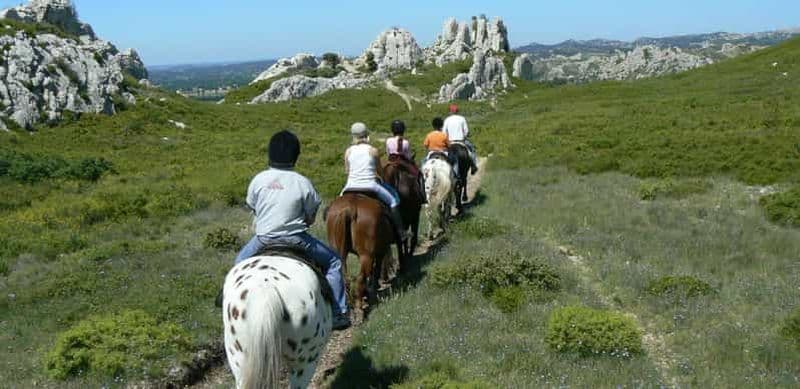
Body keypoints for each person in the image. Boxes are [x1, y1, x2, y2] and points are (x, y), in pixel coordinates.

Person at [233, 130, 350, 330]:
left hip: (263, 239)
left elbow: (252, 206)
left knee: (238, 266)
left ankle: (228, 301)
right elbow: (311, 216)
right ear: (295, 155)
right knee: (333, 262)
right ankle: (339, 312)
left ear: (270, 154)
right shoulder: (302, 182)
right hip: (297, 239)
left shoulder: (259, 179)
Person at [342, 122, 406, 246]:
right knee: (394, 200)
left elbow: (347, 171)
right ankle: (401, 231)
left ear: (353, 135)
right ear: (366, 134)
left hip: (350, 186)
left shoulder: (348, 151)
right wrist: (382, 179)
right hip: (371, 185)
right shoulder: (373, 151)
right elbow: (380, 171)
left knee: (336, 204)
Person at [385, 119, 426, 203]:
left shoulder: (388, 140)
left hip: (391, 161)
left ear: (393, 130)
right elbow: (408, 155)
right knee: (418, 174)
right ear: (403, 130)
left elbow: (388, 152)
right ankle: (422, 195)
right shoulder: (406, 142)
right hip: (402, 162)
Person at [442, 104, 478, 174]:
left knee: (443, 154)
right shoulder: (462, 118)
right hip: (461, 142)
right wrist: (465, 135)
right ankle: (473, 166)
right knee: (472, 150)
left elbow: (444, 133)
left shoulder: (447, 120)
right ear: (457, 111)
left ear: (450, 111)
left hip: (450, 143)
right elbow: (466, 131)